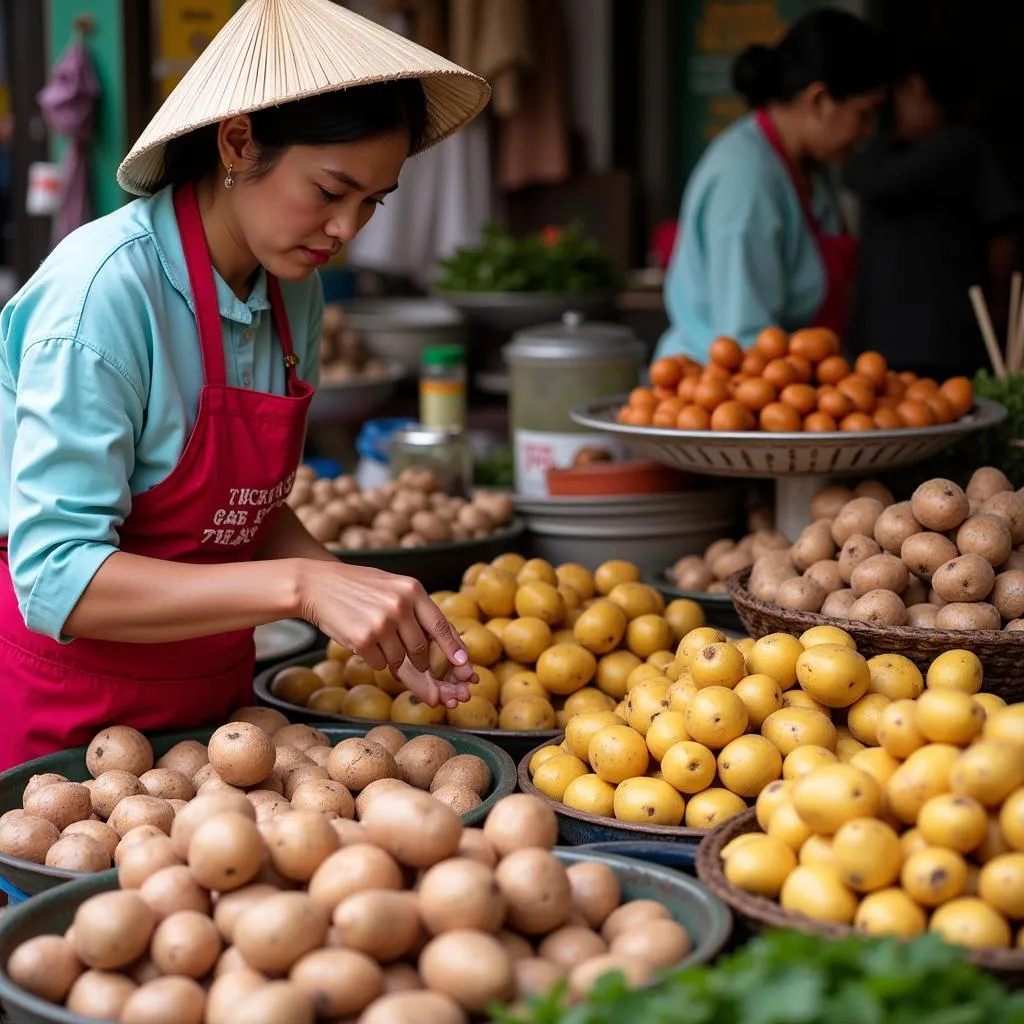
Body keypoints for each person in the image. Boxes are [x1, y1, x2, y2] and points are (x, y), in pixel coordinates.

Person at [0, 0, 491, 769]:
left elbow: (237, 508)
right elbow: (58, 579)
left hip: (217, 718)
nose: (346, 230)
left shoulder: (293, 283)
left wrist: (350, 592)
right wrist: (300, 588)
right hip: (72, 721)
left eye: (371, 203)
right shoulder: (102, 295)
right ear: (237, 141)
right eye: (330, 192)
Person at [656, 9, 889, 363]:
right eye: (864, 114)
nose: (869, 131)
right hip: (720, 392)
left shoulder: (810, 166)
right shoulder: (746, 178)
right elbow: (747, 340)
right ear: (820, 101)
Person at [844, 44, 1021, 380]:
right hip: (885, 339)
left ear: (916, 87)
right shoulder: (893, 150)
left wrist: (998, 300)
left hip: (937, 341)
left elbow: (1003, 232)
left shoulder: (959, 146)